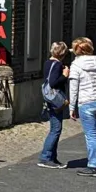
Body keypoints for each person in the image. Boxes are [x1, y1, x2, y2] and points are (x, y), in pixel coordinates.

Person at [39, 41, 70, 169]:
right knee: (55, 129)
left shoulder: (47, 63)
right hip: (55, 99)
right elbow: (53, 83)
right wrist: (65, 75)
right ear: (63, 53)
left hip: (49, 98)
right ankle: (45, 158)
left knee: (55, 128)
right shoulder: (57, 65)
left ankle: (52, 157)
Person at [69, 37, 96, 176]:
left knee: (91, 135)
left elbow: (73, 88)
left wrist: (71, 107)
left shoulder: (76, 65)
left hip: (86, 102)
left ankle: (93, 165)